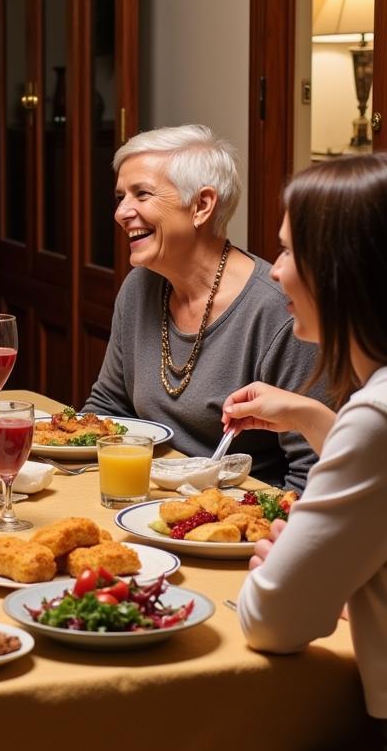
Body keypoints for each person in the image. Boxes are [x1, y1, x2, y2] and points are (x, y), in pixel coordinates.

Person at [156, 152, 387, 751]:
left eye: (289, 252)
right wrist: (312, 418)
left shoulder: (376, 416)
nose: (275, 270)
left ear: (340, 271)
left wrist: (285, 572)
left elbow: (272, 620)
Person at [83, 124, 321, 491]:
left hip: (235, 524)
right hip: (141, 502)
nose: (120, 213)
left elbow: (312, 472)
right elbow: (108, 409)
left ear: (202, 205)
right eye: (120, 196)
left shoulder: (277, 311)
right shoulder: (139, 287)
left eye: (141, 194)